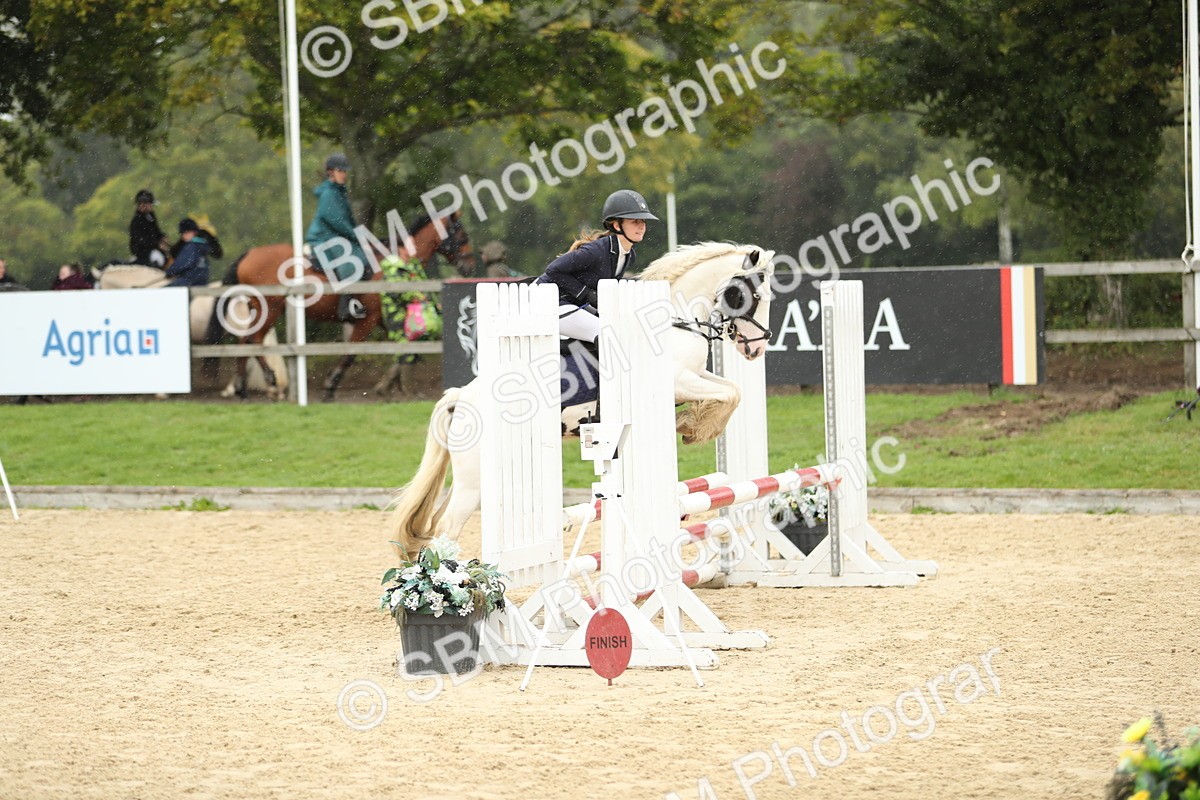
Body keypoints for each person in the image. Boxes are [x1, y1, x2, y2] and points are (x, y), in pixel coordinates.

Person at [534, 189, 658, 343]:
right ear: (617, 225)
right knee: (606, 333)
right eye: (635, 221)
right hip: (547, 304)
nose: (641, 226)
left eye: (643, 221)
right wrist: (585, 294)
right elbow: (553, 269)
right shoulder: (596, 251)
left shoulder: (629, 255)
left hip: (572, 305)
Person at [305, 152, 368, 321]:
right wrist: (356, 235)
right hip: (323, 239)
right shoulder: (329, 194)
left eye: (345, 171)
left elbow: (345, 220)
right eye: (341, 171)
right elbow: (336, 220)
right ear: (331, 172)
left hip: (333, 237)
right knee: (354, 260)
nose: (344, 175)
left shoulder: (338, 192)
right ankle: (346, 306)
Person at [374, 253, 438, 397]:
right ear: (401, 249)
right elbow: (398, 291)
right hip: (396, 318)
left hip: (407, 318)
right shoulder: (393, 269)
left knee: (407, 352)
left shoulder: (407, 268)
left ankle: (385, 387)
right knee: (407, 353)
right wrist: (418, 296)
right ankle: (408, 392)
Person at [164, 218, 211, 287]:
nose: (183, 236)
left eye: (185, 233)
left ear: (193, 232)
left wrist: (169, 272)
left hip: (188, 281)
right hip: (202, 282)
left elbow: (181, 263)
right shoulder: (202, 246)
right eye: (182, 233)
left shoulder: (191, 246)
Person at [129, 189, 170, 267]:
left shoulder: (150, 216)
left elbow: (156, 230)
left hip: (153, 248)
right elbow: (141, 241)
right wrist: (157, 244)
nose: (151, 206)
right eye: (150, 204)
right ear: (142, 204)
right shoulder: (136, 221)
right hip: (144, 251)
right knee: (158, 259)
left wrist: (162, 237)